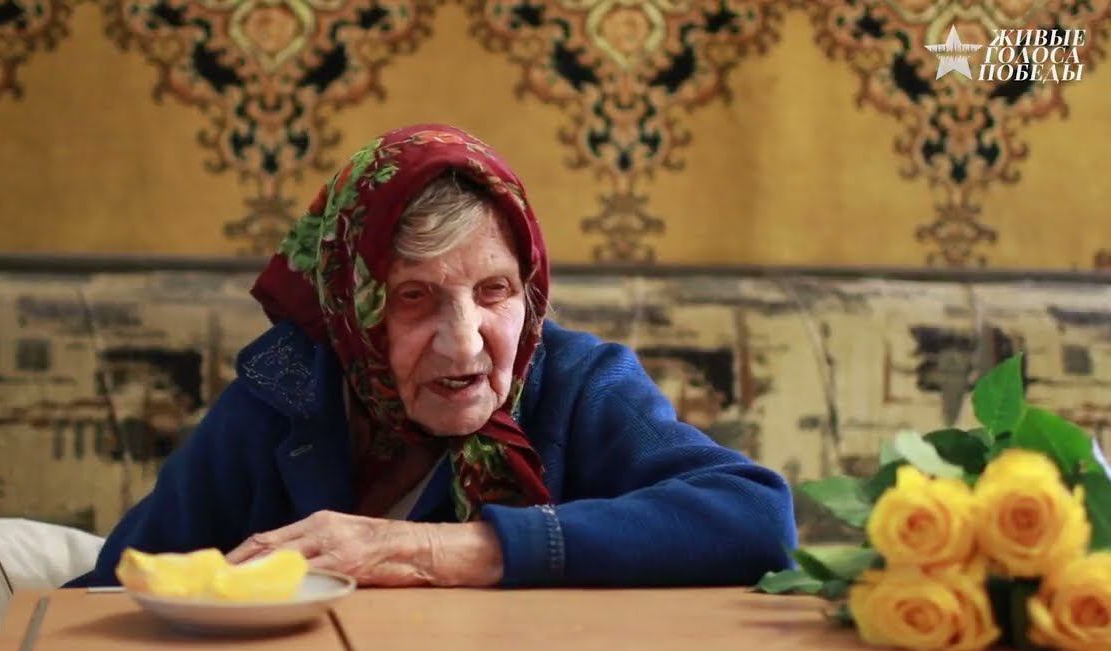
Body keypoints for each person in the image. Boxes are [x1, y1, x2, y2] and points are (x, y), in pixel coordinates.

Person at [65, 124, 795, 589]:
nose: (465, 342)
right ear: (353, 308)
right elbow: (114, 589)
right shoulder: (287, 391)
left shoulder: (577, 384)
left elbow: (755, 518)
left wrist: (434, 550)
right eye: (413, 297)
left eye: (495, 291)